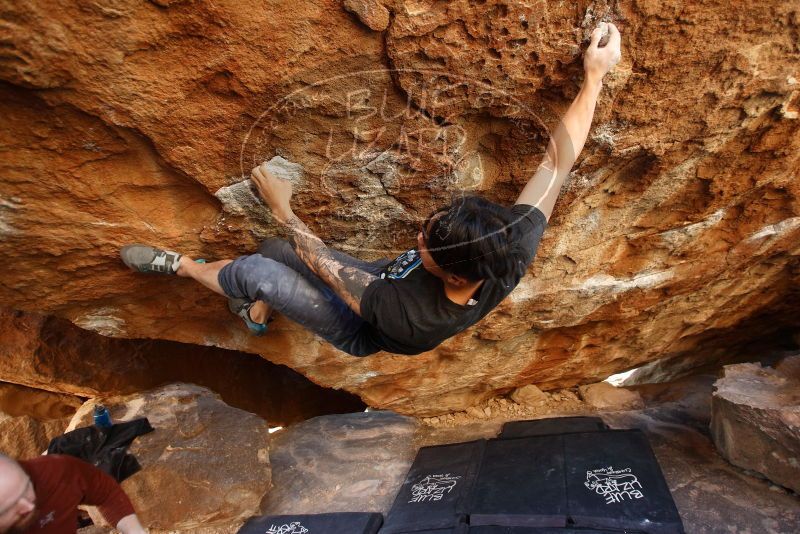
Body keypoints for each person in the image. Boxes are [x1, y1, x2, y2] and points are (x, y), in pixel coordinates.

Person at [120, 22, 622, 357]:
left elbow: (324, 263)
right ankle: (256, 310)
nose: (419, 238)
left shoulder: (407, 316)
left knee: (262, 268)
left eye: (426, 245)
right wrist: (595, 77)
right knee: (275, 252)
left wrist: (283, 208)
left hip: (363, 324)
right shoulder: (507, 243)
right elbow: (558, 161)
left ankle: (183, 267)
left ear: (450, 277)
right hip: (383, 278)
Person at [0, 453, 146, 534]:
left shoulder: (52, 472)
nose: (29, 506)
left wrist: (135, 531)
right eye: (11, 506)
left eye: (27, 488)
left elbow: (105, 491)